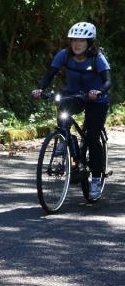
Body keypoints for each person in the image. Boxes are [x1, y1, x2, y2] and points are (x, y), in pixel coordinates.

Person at [32, 22, 112, 199]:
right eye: (74, 40)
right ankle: (64, 140)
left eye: (82, 41)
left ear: (89, 42)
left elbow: (107, 81)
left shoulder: (97, 58)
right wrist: (40, 89)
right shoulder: (64, 55)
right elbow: (49, 74)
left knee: (92, 136)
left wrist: (99, 92)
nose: (77, 44)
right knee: (63, 111)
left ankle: (96, 179)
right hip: (74, 95)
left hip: (96, 99)